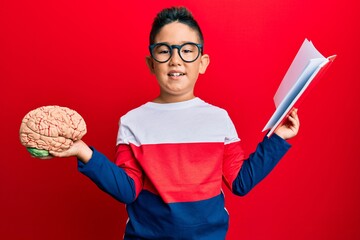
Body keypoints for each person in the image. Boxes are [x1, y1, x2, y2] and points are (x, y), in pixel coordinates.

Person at [50, 6, 300, 240]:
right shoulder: (132, 122)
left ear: (202, 63)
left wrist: (278, 139)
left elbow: (240, 182)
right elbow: (127, 189)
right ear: (151, 63)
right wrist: (83, 152)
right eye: (164, 50)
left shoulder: (219, 118)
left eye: (187, 50)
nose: (176, 60)